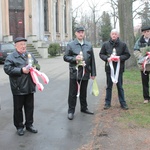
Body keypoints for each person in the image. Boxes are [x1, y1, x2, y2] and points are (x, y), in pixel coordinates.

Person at [3, 37, 40, 136]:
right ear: (16, 46)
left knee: (29, 107)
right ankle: (19, 126)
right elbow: (7, 69)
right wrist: (21, 70)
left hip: (29, 86)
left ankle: (29, 124)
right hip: (18, 87)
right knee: (18, 108)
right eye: (21, 44)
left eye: (24, 44)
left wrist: (36, 67)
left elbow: (37, 64)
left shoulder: (30, 55)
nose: (23, 46)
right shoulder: (11, 57)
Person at [63, 26, 96, 120]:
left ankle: (84, 108)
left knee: (83, 91)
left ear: (84, 33)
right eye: (79, 32)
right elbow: (65, 57)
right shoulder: (71, 45)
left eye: (82, 32)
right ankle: (71, 111)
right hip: (75, 72)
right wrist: (74, 59)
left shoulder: (88, 45)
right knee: (73, 93)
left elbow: (92, 60)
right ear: (76, 33)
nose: (81, 34)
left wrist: (93, 73)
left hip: (85, 72)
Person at [99, 29, 130, 110]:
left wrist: (119, 58)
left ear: (118, 35)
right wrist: (107, 58)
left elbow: (127, 55)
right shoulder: (105, 44)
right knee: (109, 86)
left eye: (115, 34)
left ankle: (123, 103)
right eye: (112, 34)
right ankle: (107, 103)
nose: (114, 35)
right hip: (109, 69)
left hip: (119, 69)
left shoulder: (123, 45)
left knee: (120, 86)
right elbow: (101, 54)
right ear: (110, 35)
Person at [134, 26, 150, 104]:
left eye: (148, 31)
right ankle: (146, 97)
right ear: (143, 33)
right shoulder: (139, 42)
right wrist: (142, 57)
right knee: (145, 81)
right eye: (145, 32)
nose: (147, 33)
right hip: (144, 65)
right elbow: (136, 51)